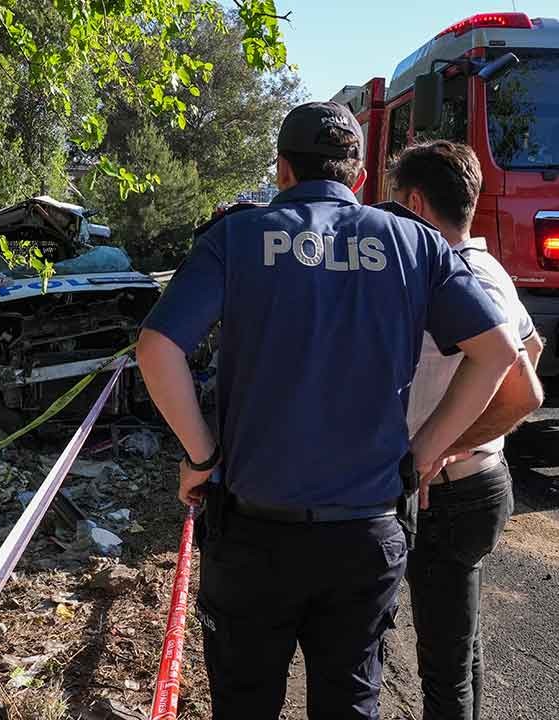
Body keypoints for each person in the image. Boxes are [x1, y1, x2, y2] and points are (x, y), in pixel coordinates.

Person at [136, 102, 520, 720]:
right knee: (350, 701)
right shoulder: (414, 242)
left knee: (244, 704)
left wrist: (201, 455)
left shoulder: (237, 236)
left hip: (254, 533)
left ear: (283, 170)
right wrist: (424, 452)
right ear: (358, 176)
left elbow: (157, 348)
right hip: (365, 534)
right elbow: (498, 352)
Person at [388, 140, 545, 720]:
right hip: (476, 486)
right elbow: (533, 347)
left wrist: (440, 449)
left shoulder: (456, 276)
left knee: (442, 669)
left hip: (447, 494)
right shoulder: (489, 267)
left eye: (395, 203)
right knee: (460, 647)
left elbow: (526, 391)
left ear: (416, 204)